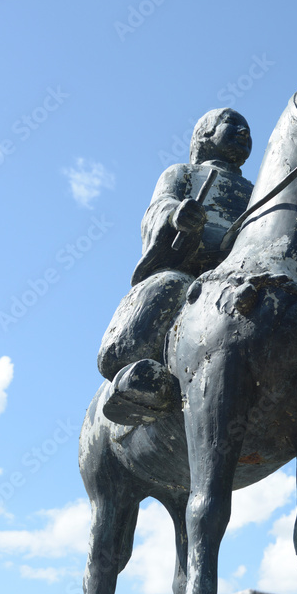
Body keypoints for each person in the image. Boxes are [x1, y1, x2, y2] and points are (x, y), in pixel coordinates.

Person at [97, 109, 253, 414]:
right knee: (171, 285)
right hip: (190, 265)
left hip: (239, 276)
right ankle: (133, 372)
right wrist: (175, 215)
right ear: (205, 135)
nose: (243, 132)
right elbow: (158, 207)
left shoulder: (259, 190)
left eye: (247, 128)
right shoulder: (182, 173)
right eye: (231, 123)